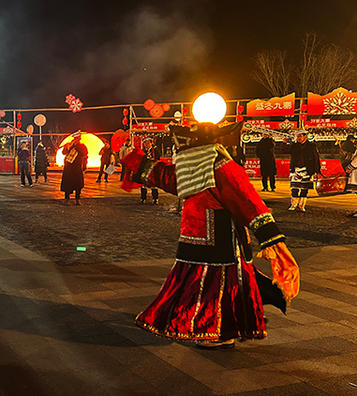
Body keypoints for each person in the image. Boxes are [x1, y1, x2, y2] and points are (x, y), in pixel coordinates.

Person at [121, 121, 299, 349]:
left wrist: (271, 238)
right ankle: (208, 328)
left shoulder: (223, 168)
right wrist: (133, 158)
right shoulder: (199, 166)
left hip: (221, 236)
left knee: (219, 288)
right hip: (194, 237)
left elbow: (248, 202)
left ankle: (219, 332)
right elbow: (165, 177)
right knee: (201, 287)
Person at [283, 130, 320, 212]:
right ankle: (293, 204)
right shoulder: (295, 146)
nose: (299, 138)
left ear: (305, 136)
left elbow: (316, 158)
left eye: (300, 136)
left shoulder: (311, 146)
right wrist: (285, 143)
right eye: (298, 136)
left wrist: (316, 171)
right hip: (295, 169)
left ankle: (302, 205)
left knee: (304, 189)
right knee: (294, 188)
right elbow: (285, 151)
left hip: (307, 169)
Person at [61, 132, 88, 205]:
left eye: (77, 138)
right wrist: (66, 147)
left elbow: (84, 153)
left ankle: (77, 199)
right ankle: (67, 199)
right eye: (75, 138)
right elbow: (64, 153)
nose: (75, 140)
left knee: (78, 184)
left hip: (77, 166)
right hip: (68, 167)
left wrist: (77, 146)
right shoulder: (70, 145)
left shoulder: (82, 146)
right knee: (67, 183)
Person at [140, 138, 159, 204]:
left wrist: (152, 160)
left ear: (151, 143)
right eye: (145, 143)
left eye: (148, 143)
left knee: (153, 184)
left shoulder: (155, 150)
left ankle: (155, 198)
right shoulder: (143, 150)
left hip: (152, 168)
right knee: (143, 184)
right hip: (145, 169)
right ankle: (143, 198)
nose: (146, 144)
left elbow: (158, 159)